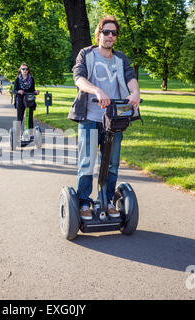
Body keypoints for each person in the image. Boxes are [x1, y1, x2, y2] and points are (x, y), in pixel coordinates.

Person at [68, 15, 141, 221]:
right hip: (90, 117)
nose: (110, 36)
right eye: (106, 32)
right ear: (98, 34)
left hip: (114, 120)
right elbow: (79, 78)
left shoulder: (121, 58)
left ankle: (108, 201)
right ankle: (83, 202)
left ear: (116, 37)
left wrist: (135, 93)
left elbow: (131, 78)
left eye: (113, 33)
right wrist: (97, 90)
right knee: (87, 162)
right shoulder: (86, 54)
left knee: (111, 164)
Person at [14, 63, 39, 130]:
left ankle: (29, 133)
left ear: (28, 70)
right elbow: (15, 90)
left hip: (29, 99)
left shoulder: (31, 79)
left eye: (26, 69)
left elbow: (32, 90)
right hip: (20, 99)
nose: (25, 70)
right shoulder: (17, 79)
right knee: (20, 117)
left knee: (29, 117)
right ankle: (17, 133)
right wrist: (19, 91)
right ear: (20, 70)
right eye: (23, 69)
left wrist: (36, 92)